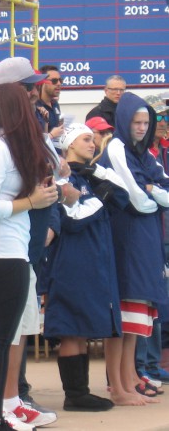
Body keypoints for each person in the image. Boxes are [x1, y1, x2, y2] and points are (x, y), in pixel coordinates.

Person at [0, 83, 59, 431]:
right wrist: (30, 202)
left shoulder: (9, 143)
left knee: (2, 341)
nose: (32, 111)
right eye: (27, 104)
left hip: (12, 250)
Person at [46, 123, 127, 412]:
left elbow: (123, 196)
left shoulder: (88, 177)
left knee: (80, 329)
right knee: (71, 327)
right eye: (86, 139)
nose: (93, 144)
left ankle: (80, 392)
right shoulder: (60, 175)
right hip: (71, 262)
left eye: (93, 140)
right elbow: (71, 218)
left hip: (91, 262)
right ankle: (75, 394)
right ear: (69, 145)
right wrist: (97, 200)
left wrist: (100, 176)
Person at [99, 91, 169, 405]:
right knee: (125, 316)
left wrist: (153, 188)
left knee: (138, 317)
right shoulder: (116, 148)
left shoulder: (143, 152)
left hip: (146, 239)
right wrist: (153, 192)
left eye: (146, 122)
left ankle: (129, 378)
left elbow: (161, 187)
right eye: (136, 122)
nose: (142, 128)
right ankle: (118, 385)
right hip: (126, 240)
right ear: (124, 121)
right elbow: (138, 202)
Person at [135, 95, 169, 385]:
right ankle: (142, 367)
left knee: (157, 302)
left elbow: (160, 187)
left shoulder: (160, 153)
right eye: (155, 119)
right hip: (149, 233)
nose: (160, 124)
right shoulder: (138, 153)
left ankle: (152, 365)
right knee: (145, 301)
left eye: (162, 118)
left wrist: (155, 190)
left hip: (160, 232)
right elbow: (144, 193)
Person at [37, 65, 65, 145]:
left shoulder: (55, 104)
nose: (59, 84)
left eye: (60, 80)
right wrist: (52, 135)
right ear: (43, 82)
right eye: (54, 81)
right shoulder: (36, 107)